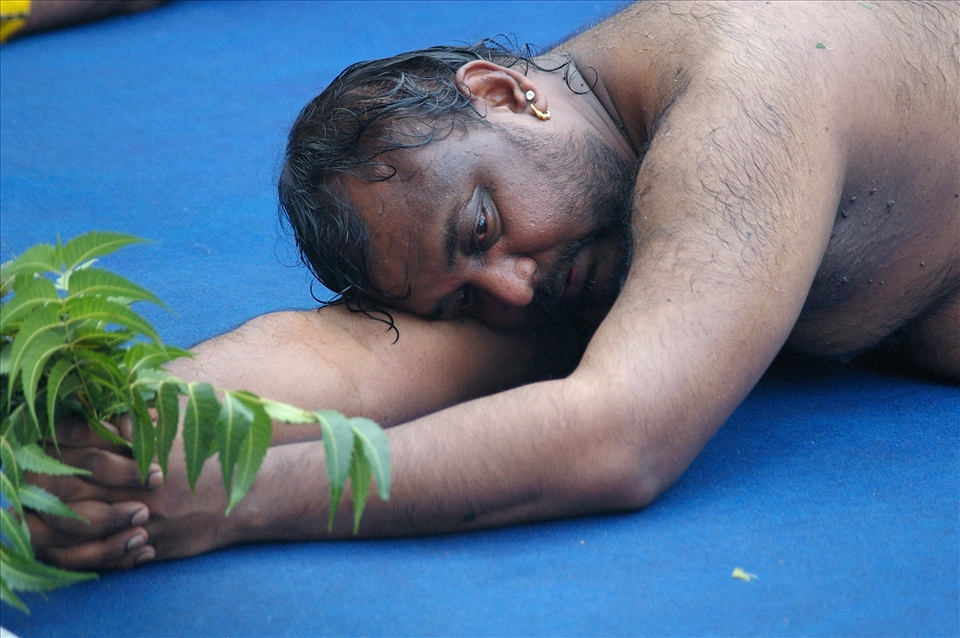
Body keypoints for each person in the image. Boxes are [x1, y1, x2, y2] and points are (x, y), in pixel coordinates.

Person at [26, 1, 958, 570]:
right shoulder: (558, 188)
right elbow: (357, 362)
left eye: (479, 231)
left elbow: (622, 434)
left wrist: (243, 499)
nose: (510, 293)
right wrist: (97, 444)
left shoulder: (741, 99)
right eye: (461, 296)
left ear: (506, 95)